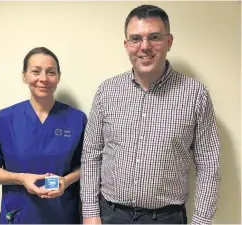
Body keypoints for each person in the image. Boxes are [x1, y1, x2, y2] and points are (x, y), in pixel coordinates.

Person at [80, 4, 220, 225]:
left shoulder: (195, 94)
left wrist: (201, 221)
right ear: (126, 45)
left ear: (169, 42)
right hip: (110, 216)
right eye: (136, 39)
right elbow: (91, 154)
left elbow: (209, 164)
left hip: (167, 218)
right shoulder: (107, 91)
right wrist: (89, 212)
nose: (144, 47)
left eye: (154, 37)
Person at [0, 47, 87, 224]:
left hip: (62, 214)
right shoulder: (4, 119)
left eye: (51, 72)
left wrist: (65, 181)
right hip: (19, 214)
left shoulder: (76, 119)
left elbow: (88, 165)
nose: (43, 78)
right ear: (24, 76)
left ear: (58, 76)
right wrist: (20, 178)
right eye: (36, 71)